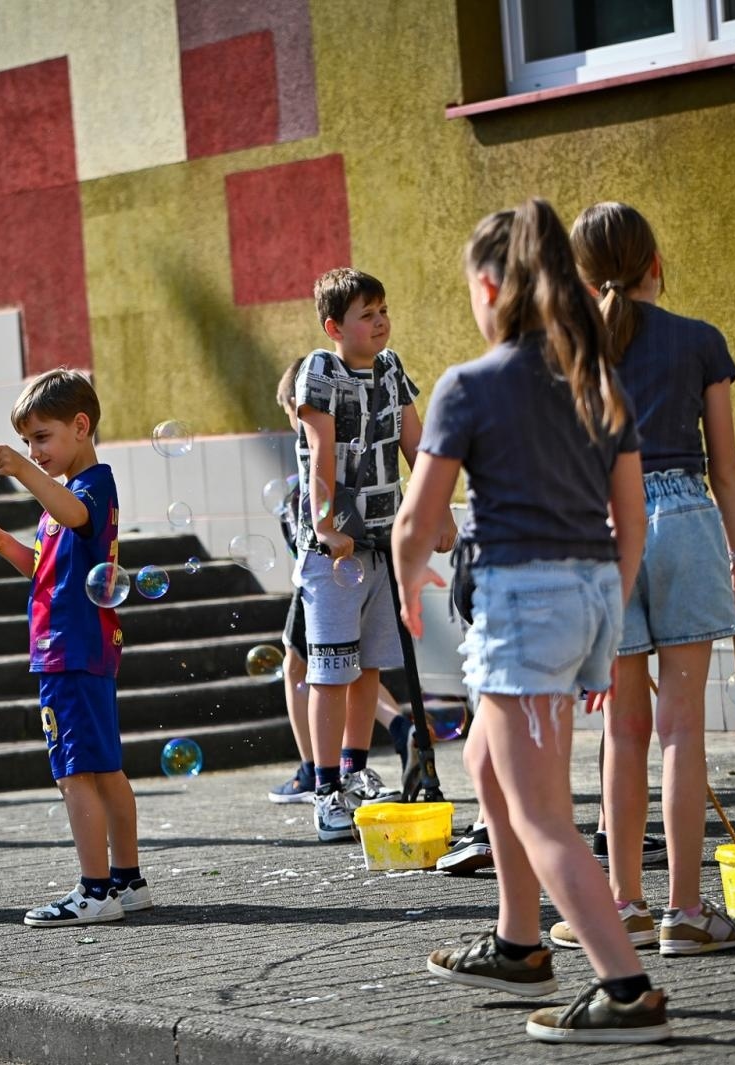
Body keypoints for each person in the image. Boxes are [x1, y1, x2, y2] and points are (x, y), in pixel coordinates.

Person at [394, 199, 669, 1043]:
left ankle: (627, 990)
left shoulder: (468, 385)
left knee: (543, 813)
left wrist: (408, 584)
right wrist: (605, 622)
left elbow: (415, 521)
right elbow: (632, 521)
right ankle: (518, 943)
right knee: (485, 756)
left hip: (524, 605)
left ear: (488, 288)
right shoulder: (597, 380)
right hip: (588, 593)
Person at [542, 201, 735, 957]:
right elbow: (727, 470)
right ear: (656, 264)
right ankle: (686, 913)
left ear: (582, 279)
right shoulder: (701, 341)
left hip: (605, 534)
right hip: (687, 525)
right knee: (682, 729)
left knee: (622, 730)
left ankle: (625, 904)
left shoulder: (567, 350)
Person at [0, 369, 150, 927]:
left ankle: (94, 891)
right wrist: (7, 545)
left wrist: (22, 471)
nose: (34, 452)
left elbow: (77, 513)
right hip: (77, 645)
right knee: (104, 768)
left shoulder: (88, 488)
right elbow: (46, 567)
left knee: (74, 771)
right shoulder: (64, 498)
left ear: (81, 426)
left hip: (70, 648)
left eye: (41, 437)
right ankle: (126, 881)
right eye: (26, 442)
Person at [293, 268, 452, 843]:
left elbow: (417, 445)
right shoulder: (321, 371)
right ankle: (325, 789)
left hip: (385, 546)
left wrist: (439, 511)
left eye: (383, 310)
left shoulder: (391, 368)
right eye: (367, 314)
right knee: (330, 671)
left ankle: (357, 772)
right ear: (335, 327)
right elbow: (321, 451)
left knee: (369, 668)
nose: (381, 321)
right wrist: (325, 525)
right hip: (335, 553)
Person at [265, 356, 415, 805]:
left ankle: (322, 772)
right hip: (333, 565)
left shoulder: (367, 377)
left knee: (323, 667)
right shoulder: (308, 482)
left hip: (346, 563)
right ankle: (330, 776)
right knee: (334, 667)